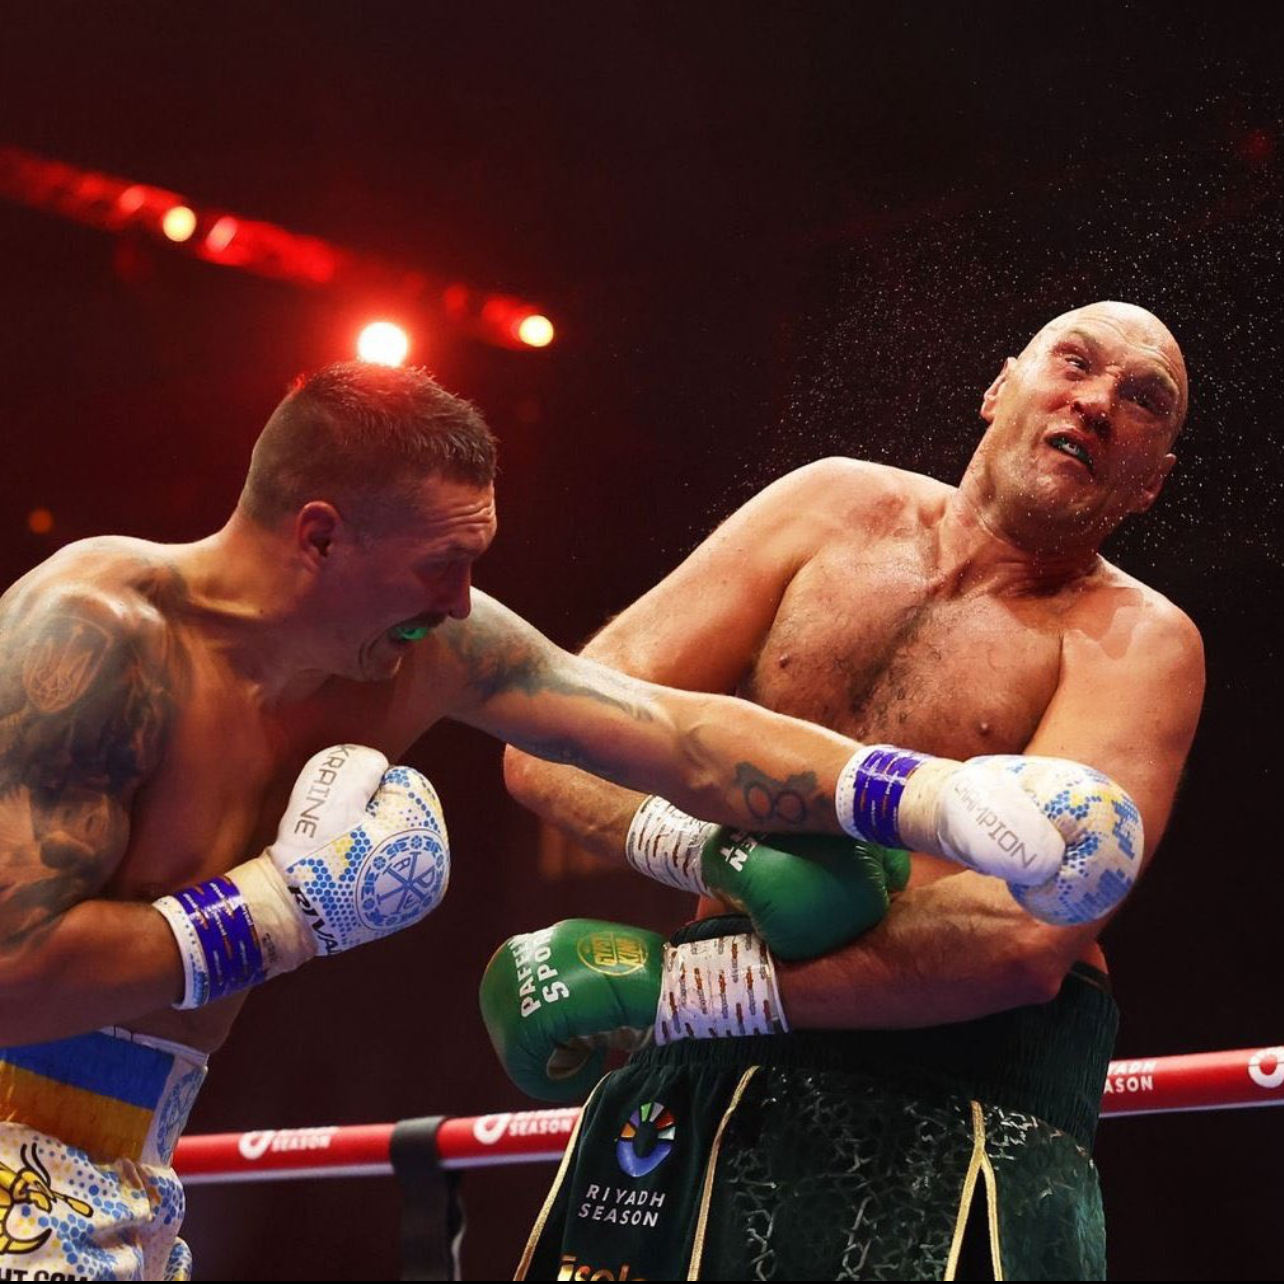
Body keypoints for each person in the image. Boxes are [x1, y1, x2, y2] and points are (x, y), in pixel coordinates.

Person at [0, 360, 1101, 1280]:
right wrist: (284, 909)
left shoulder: (426, 649)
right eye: (442, 565)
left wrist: (927, 796)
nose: (459, 601)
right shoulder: (98, 635)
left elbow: (669, 732)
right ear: (320, 536)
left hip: (135, 1156)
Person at [489, 301, 1205, 1280]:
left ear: (1152, 480)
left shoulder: (1137, 641)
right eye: (1074, 363)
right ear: (1001, 386)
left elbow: (1023, 938)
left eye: (1142, 400)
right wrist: (717, 853)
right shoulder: (827, 508)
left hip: (954, 1092)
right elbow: (557, 730)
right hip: (700, 1072)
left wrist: (680, 991)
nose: (1097, 402)